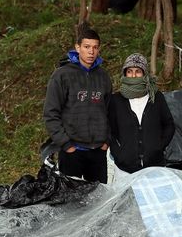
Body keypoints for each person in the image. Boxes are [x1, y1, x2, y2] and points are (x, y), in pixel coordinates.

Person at [44, 23, 112, 183]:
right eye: (87, 46)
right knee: (71, 202)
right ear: (78, 47)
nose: (91, 51)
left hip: (98, 151)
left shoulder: (103, 76)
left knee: (97, 200)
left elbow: (110, 111)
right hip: (72, 151)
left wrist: (107, 140)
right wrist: (66, 145)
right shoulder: (62, 75)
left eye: (95, 47)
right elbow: (50, 113)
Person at [108, 53, 175, 173]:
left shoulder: (155, 97)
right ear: (125, 73)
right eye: (129, 71)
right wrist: (118, 153)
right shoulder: (116, 100)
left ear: (144, 73)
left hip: (155, 165)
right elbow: (110, 131)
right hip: (125, 168)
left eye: (138, 71)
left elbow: (169, 125)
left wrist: (158, 147)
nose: (133, 75)